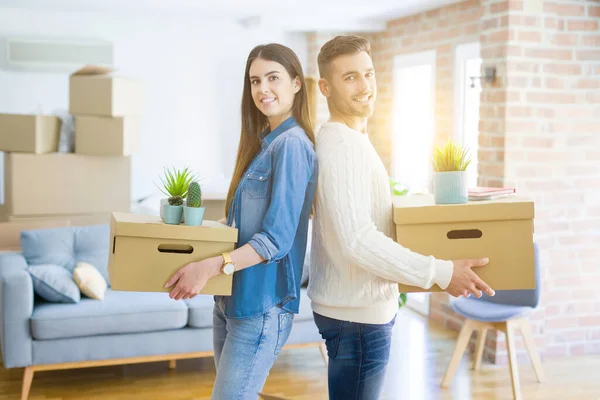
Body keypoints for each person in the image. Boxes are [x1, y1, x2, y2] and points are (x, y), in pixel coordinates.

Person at [307, 35, 495, 400]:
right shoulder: (341, 144)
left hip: (354, 312)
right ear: (325, 87)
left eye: (368, 74)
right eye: (350, 78)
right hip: (356, 316)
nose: (365, 87)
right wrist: (442, 273)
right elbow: (357, 239)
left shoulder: (353, 138)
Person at [164, 43, 318, 400]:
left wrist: (209, 266)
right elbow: (244, 222)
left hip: (261, 306)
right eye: (255, 81)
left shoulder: (293, 145)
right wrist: (201, 233)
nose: (263, 89)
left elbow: (276, 239)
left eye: (273, 78)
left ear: (296, 83)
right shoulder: (264, 143)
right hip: (231, 301)